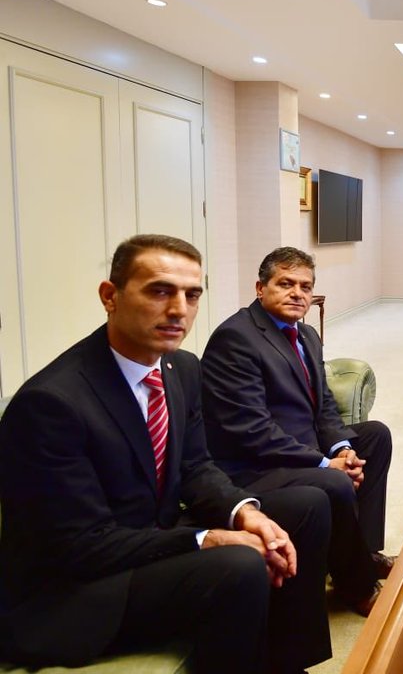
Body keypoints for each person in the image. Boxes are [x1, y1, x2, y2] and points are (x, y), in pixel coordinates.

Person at [0, 234, 331, 673]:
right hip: (80, 586)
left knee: (304, 505)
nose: (179, 310)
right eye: (159, 291)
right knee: (239, 565)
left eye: (191, 295)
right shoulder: (51, 403)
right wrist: (205, 539)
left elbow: (195, 467)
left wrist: (244, 512)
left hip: (149, 533)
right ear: (110, 296)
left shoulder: (181, 368)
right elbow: (80, 547)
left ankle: (288, 662)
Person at [201, 247, 394, 617]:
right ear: (260, 288)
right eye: (285, 284)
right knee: (336, 483)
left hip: (300, 444)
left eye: (305, 286)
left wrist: (341, 449)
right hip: (255, 465)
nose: (297, 293)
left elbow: (322, 402)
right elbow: (253, 430)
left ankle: (362, 552)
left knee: (374, 437)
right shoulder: (236, 339)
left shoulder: (305, 333)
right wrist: (324, 464)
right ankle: (357, 584)